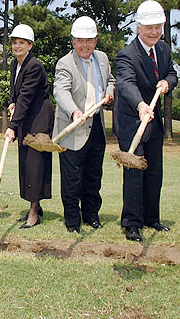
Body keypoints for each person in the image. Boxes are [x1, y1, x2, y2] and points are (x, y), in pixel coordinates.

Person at [114, 0, 178, 242]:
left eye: (158, 27)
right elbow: (126, 84)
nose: (154, 32)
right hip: (132, 121)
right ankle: (131, 222)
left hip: (154, 122)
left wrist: (167, 82)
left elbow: (172, 73)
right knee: (134, 172)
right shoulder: (126, 55)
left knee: (154, 171)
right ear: (138, 27)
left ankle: (152, 217)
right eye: (149, 27)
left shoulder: (163, 49)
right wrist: (141, 105)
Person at [53, 16, 115, 233]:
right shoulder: (65, 63)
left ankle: (91, 215)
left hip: (96, 123)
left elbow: (111, 81)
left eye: (89, 40)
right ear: (73, 42)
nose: (85, 45)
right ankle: (72, 221)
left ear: (95, 41)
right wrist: (74, 111)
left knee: (93, 175)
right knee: (72, 178)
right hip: (73, 125)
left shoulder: (102, 59)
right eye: (80, 40)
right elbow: (60, 91)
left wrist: (109, 93)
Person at [4, 24, 54, 229]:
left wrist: (12, 126)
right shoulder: (15, 64)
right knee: (26, 163)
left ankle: (34, 213)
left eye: (21, 43)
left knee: (35, 163)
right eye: (14, 43)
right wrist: (11, 102)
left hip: (39, 118)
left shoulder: (34, 66)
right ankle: (35, 205)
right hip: (26, 117)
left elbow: (26, 97)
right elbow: (18, 95)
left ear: (30, 45)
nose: (17, 46)